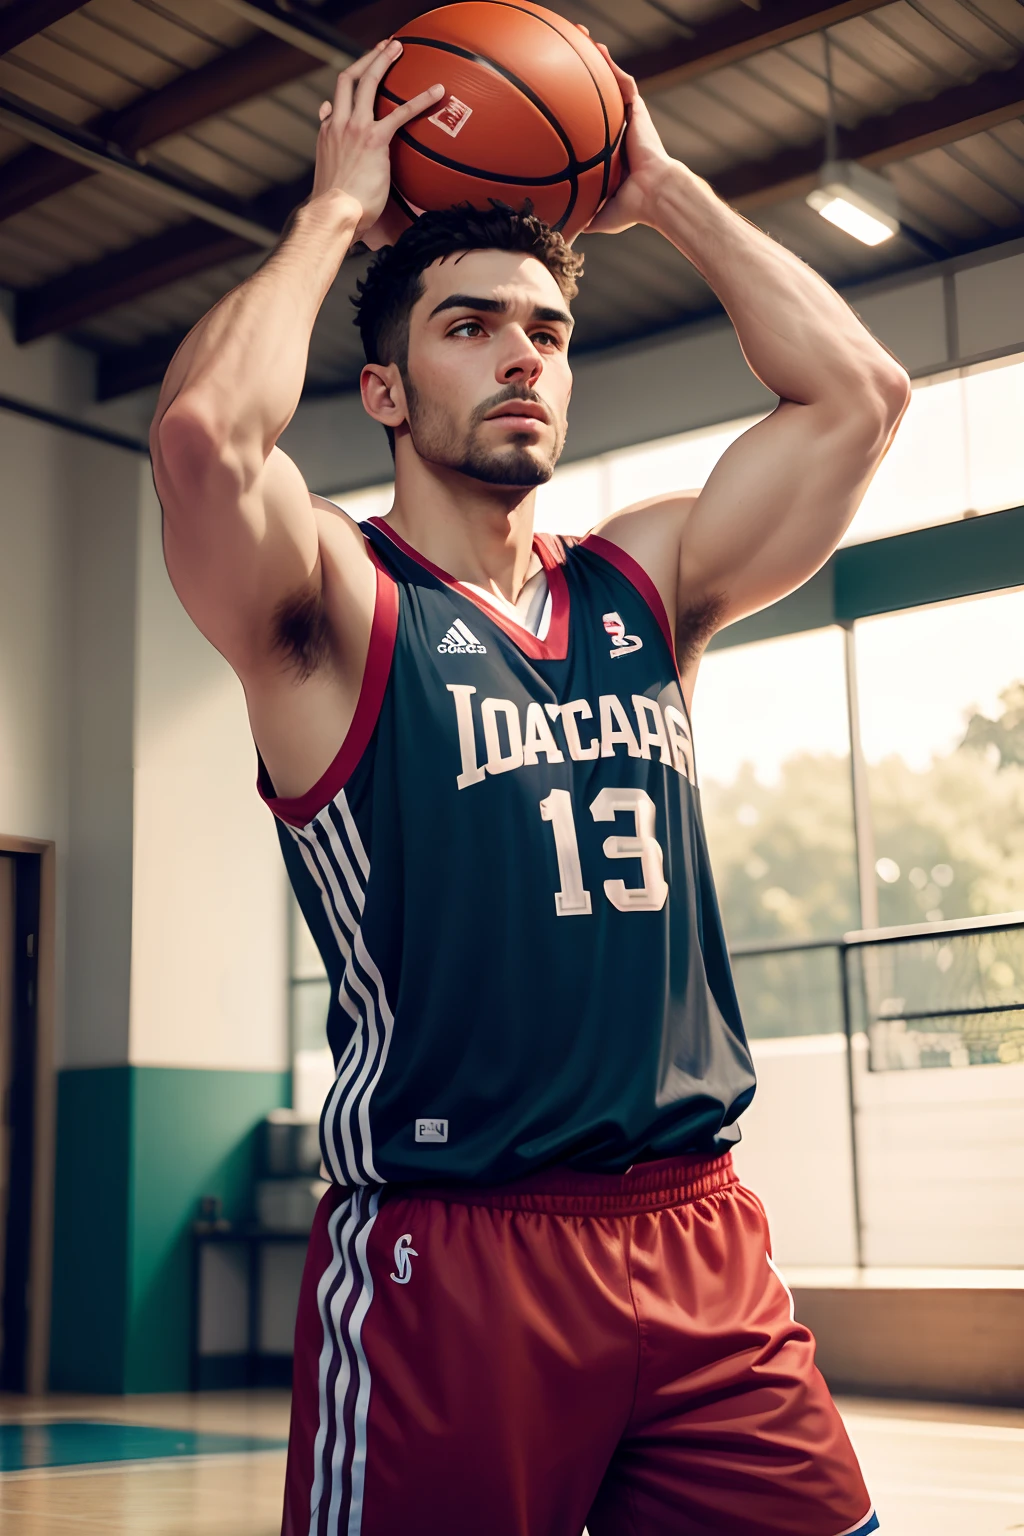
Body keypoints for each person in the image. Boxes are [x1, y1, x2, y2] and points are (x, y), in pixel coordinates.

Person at [150, 30, 908, 1536]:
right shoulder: (338, 609)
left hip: (700, 1237)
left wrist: (666, 187)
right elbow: (200, 439)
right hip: (453, 1257)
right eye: (470, 326)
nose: (522, 356)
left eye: (550, 332)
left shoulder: (648, 581)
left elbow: (861, 398)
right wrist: (331, 213)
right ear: (379, 386)